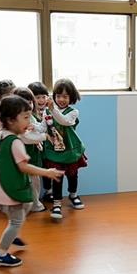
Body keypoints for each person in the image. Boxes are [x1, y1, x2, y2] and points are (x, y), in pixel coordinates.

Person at [0, 95, 63, 268]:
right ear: (11, 120)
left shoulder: (0, 136)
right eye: (26, 117)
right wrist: (47, 172)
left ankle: (12, 235)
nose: (29, 122)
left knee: (27, 205)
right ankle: (0, 253)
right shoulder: (15, 142)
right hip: (9, 188)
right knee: (16, 220)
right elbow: (24, 167)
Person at [43, 78, 87, 221]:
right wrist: (33, 127)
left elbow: (64, 121)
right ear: (54, 96)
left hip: (70, 150)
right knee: (57, 177)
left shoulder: (73, 112)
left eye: (65, 96)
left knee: (72, 175)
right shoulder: (47, 111)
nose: (61, 99)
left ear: (71, 97)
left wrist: (52, 109)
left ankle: (73, 195)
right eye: (58, 96)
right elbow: (43, 126)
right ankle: (57, 203)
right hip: (54, 151)